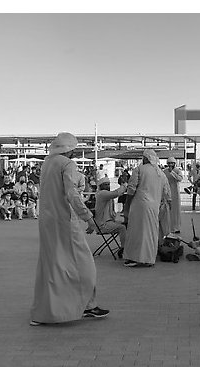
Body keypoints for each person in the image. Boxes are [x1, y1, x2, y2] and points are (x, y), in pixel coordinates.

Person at [30, 132, 109, 326]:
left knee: (53, 266)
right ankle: (88, 306)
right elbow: (72, 194)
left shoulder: (47, 163)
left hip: (48, 222)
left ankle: (49, 311)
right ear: (70, 149)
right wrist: (88, 218)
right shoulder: (67, 164)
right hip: (65, 222)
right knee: (85, 265)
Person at [122, 149, 171, 268]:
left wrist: (126, 206)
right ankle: (149, 258)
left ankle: (136, 258)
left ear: (145, 158)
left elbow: (131, 189)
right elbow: (167, 193)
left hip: (140, 205)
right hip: (154, 207)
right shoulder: (161, 173)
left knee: (137, 231)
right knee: (151, 232)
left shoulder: (139, 169)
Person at [94, 177, 127, 256]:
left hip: (109, 221)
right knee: (122, 228)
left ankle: (125, 246)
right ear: (101, 186)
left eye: (108, 184)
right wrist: (124, 185)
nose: (107, 186)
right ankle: (124, 249)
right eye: (105, 185)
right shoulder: (102, 194)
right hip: (103, 225)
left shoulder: (105, 195)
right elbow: (116, 193)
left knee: (126, 224)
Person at [164, 157, 183, 233]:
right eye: (169, 163)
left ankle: (176, 227)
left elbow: (180, 179)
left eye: (172, 163)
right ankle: (168, 227)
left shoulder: (178, 171)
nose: (170, 165)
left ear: (174, 164)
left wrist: (172, 172)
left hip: (175, 193)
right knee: (167, 211)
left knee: (175, 211)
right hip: (167, 193)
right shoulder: (164, 171)